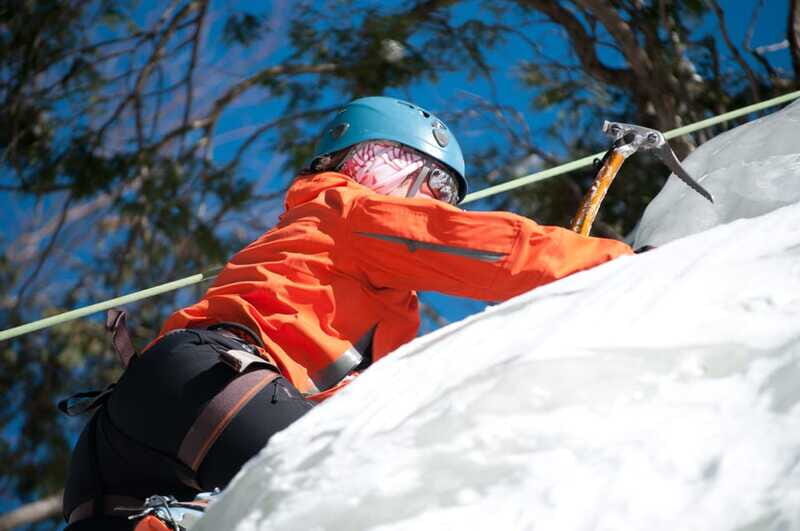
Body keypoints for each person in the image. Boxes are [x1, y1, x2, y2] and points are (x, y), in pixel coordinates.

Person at [61, 96, 633, 529]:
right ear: (378, 168)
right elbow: (487, 249)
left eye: (448, 191)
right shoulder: (348, 210)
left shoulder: (330, 256)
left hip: (130, 443)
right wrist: (622, 263)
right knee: (363, 502)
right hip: (217, 382)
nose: (436, 199)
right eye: (428, 179)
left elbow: (375, 400)